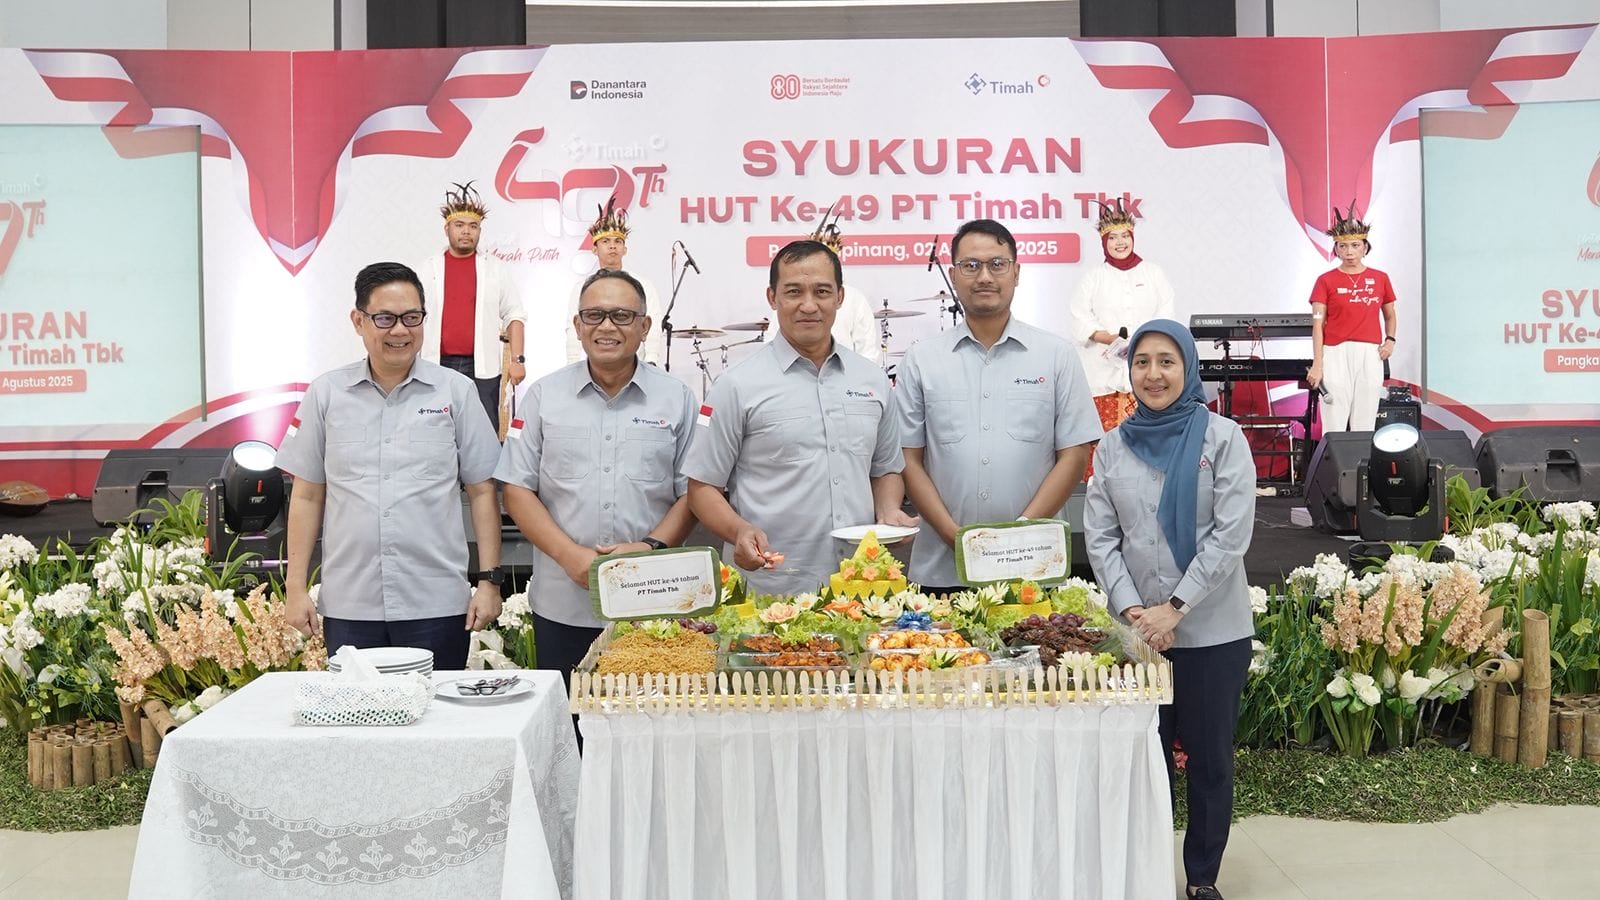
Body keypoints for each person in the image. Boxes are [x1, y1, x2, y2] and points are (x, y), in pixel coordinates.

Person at [1083, 318, 1255, 900]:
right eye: (1141, 362)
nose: (1153, 374)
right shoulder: (1112, 446)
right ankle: (1144, 872)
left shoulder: (1224, 438)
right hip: (1138, 638)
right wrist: (1136, 612)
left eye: (1166, 361)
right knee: (1142, 761)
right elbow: (1101, 538)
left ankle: (1202, 878)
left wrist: (1175, 608)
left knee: (1209, 761)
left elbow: (1230, 536)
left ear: (1188, 368)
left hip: (1212, 631)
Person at [279, 262, 505, 669]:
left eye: (411, 318)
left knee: (437, 709)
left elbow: (483, 490)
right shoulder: (326, 394)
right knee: (356, 709)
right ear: (358, 321)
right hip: (351, 603)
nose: (400, 330)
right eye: (385, 318)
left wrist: (489, 582)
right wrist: (295, 588)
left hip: (435, 602)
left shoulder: (456, 392)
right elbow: (307, 495)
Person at [683, 239, 917, 596]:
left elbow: (885, 469)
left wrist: (888, 511)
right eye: (794, 292)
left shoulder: (872, 381)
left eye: (822, 291)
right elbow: (702, 488)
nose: (809, 305)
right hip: (772, 585)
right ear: (772, 297)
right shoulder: (736, 385)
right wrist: (738, 531)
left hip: (860, 583)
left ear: (840, 297)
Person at [497, 269, 698, 681]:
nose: (607, 326)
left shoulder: (677, 398)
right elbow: (516, 489)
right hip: (563, 603)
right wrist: (570, 556)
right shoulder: (543, 396)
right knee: (569, 718)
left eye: (622, 316)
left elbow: (694, 492)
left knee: (651, 717)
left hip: (652, 600)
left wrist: (650, 547)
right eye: (594, 315)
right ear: (578, 325)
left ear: (645, 326)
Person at [898, 218, 1102, 593]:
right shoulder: (922, 359)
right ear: (953, 275)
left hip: (1033, 571)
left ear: (1016, 272)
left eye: (997, 264)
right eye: (970, 266)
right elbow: (908, 459)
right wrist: (955, 537)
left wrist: (1017, 539)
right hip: (942, 570)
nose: (984, 277)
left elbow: (1074, 455)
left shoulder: (1056, 355)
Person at [1068, 198, 1175, 477]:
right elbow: (1079, 317)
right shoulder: (1093, 277)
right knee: (1102, 443)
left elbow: (1166, 313)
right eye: (1113, 238)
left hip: (1146, 365)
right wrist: (1107, 337)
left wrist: (1143, 342)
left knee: (1150, 439)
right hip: (1102, 368)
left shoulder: (1153, 273)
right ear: (1104, 242)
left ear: (1132, 237)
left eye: (1124, 236)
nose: (1120, 243)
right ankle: (1099, 491)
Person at [420, 181, 527, 434]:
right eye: (459, 225)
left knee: (484, 434)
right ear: (447, 229)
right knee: (435, 431)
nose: (466, 231)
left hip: (482, 367)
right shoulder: (427, 268)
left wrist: (518, 360)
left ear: (480, 230)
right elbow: (413, 316)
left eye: (473, 226)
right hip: (436, 364)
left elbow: (514, 314)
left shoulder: (495, 268)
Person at [1305, 203, 1397, 432]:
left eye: (1355, 245)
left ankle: (1362, 458)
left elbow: (1390, 315)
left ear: (1365, 247)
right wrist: (1317, 364)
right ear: (1336, 249)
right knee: (1334, 420)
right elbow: (1318, 324)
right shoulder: (1325, 281)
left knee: (1365, 421)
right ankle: (1334, 457)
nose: (1349, 252)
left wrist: (1390, 340)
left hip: (1370, 353)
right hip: (1335, 352)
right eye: (1343, 246)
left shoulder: (1381, 278)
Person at [564, 197, 667, 366]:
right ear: (594, 249)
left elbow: (653, 324)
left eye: (618, 241)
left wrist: (651, 359)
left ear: (624, 249)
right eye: (606, 241)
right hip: (594, 367)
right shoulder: (583, 288)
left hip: (634, 366)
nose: (613, 246)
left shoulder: (642, 285)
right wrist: (573, 363)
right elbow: (573, 326)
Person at [809, 212, 879, 358]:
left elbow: (868, 353)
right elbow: (772, 347)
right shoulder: (791, 300)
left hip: (848, 371)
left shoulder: (855, 299)